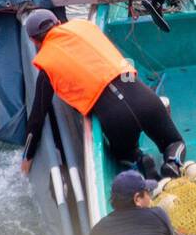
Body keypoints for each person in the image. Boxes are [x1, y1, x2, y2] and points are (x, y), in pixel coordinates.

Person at [19, 9, 185, 179]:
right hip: (143, 97)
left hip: (114, 116)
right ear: (59, 23)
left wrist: (27, 158)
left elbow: (37, 118)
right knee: (174, 142)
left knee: (124, 153)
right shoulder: (84, 26)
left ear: (34, 41)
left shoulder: (46, 64)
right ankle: (173, 162)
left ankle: (141, 160)